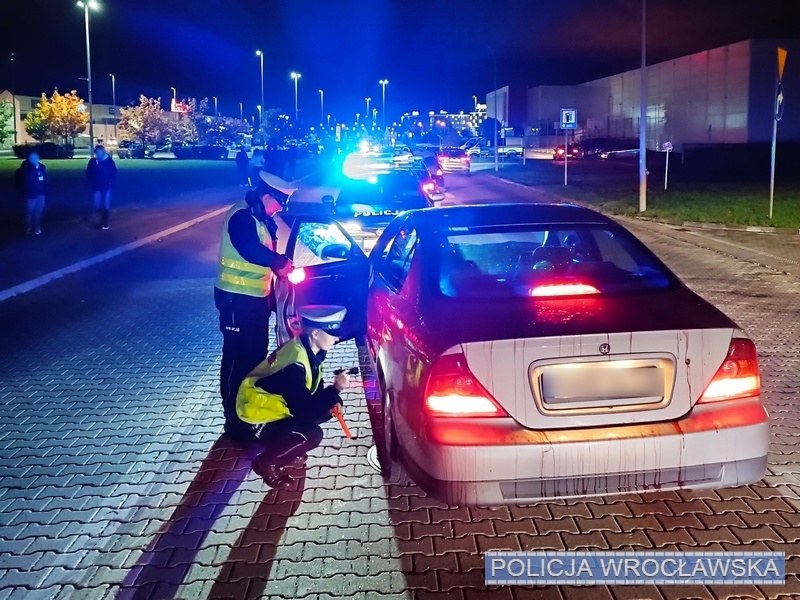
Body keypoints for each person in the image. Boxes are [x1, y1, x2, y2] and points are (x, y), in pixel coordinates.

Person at [215, 171, 296, 440]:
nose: (281, 208)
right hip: (235, 300)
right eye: (279, 202)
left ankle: (247, 411)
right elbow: (249, 249)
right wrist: (279, 262)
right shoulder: (241, 216)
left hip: (255, 301)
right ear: (265, 195)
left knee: (254, 358)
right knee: (236, 359)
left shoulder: (261, 218)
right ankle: (234, 421)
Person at [236, 305, 351, 488]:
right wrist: (335, 389)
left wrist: (334, 399)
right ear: (315, 334)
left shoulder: (308, 350)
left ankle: (288, 448)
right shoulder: (295, 365)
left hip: (277, 409)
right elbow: (305, 412)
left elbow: (312, 395)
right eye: (332, 333)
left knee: (327, 409)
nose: (337, 338)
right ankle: (266, 463)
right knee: (312, 434)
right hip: (257, 418)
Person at [86, 145, 118, 230]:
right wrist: (90, 182)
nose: (98, 155)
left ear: (103, 152)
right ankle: (96, 218)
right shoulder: (93, 161)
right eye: (97, 153)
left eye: (99, 153)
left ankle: (104, 222)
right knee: (96, 203)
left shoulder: (109, 162)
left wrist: (110, 183)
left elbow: (114, 173)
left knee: (105, 204)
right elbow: (89, 172)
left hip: (107, 186)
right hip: (96, 186)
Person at [15, 151, 47, 236]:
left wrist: (44, 191)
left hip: (41, 194)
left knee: (38, 212)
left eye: (36, 158)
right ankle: (28, 228)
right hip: (29, 195)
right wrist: (23, 192)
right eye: (32, 158)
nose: (34, 160)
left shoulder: (42, 167)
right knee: (29, 212)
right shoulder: (23, 170)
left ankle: (37, 227)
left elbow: (45, 180)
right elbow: (19, 183)